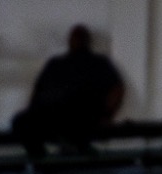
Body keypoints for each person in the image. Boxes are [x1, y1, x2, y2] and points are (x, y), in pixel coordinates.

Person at [10, 24, 125, 158]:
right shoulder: (55, 63)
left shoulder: (98, 62)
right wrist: (33, 109)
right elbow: (38, 90)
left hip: (82, 115)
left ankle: (71, 150)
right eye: (74, 37)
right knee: (20, 122)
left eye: (80, 37)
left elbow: (117, 89)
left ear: (87, 40)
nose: (76, 40)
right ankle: (42, 161)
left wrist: (107, 116)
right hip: (51, 115)